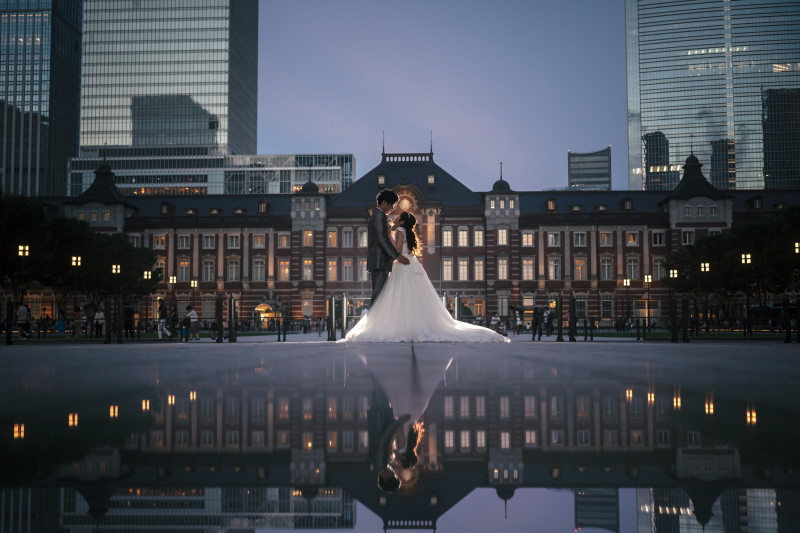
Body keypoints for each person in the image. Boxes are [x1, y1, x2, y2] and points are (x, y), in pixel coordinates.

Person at [341, 211, 507, 343]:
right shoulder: (406, 231)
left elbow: (398, 250)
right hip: (410, 264)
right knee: (413, 298)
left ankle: (403, 327)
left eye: (398, 217)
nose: (395, 217)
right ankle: (411, 326)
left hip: (402, 265)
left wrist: (388, 236)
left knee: (398, 298)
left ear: (402, 222)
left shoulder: (399, 230)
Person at [367, 189, 410, 309]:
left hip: (378, 259)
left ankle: (375, 322)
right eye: (392, 204)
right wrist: (396, 256)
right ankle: (373, 323)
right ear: (384, 203)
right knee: (379, 294)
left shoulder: (377, 214)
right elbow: (381, 239)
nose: (392, 208)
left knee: (380, 293)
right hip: (380, 260)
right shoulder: (379, 215)